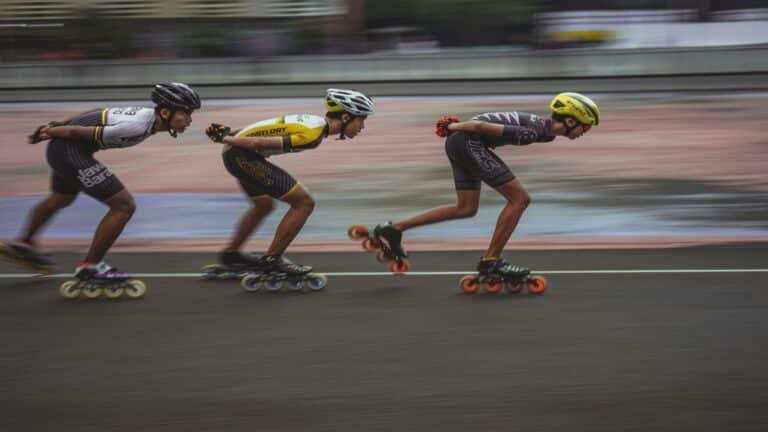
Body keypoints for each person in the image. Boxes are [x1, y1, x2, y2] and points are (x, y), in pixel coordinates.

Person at [367, 92, 600, 278]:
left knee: (466, 208)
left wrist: (456, 129)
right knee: (519, 200)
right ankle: (491, 262)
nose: (585, 132)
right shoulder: (532, 132)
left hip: (462, 143)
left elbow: (484, 123)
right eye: (585, 126)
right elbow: (480, 127)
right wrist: (453, 127)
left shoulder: (544, 131)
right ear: (570, 120)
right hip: (468, 140)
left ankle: (394, 228)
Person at [0, 82, 201, 280]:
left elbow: (96, 111)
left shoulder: (146, 117)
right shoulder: (137, 126)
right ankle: (90, 266)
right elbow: (75, 132)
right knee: (123, 206)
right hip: (69, 149)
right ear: (166, 112)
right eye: (186, 113)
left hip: (66, 150)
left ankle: (25, 242)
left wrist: (59, 124)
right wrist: (49, 131)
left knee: (62, 198)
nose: (189, 120)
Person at [204, 88, 374, 277]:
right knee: (304, 203)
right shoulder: (312, 135)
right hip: (242, 155)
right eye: (361, 120)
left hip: (238, 154)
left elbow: (265, 126)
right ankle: (272, 260)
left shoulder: (312, 121)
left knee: (263, 205)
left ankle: (231, 255)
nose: (362, 127)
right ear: (345, 118)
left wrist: (231, 134)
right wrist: (225, 137)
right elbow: (257, 143)